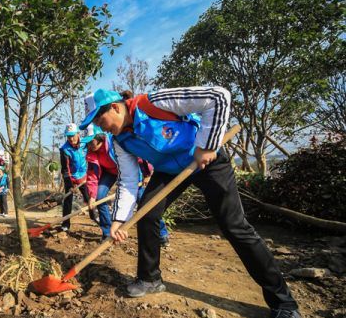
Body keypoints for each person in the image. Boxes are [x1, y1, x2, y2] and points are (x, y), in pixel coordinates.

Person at [79, 87, 300, 318]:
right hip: (168, 171)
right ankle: (149, 279)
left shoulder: (153, 103)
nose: (99, 127)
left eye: (99, 118)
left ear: (114, 107)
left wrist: (206, 145)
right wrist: (118, 220)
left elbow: (218, 97)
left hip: (206, 159)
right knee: (147, 214)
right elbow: (128, 180)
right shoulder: (119, 140)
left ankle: (283, 302)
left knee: (234, 226)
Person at [59, 123, 98, 232]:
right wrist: (70, 185)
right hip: (71, 178)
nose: (71, 139)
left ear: (78, 134)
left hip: (84, 177)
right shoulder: (65, 150)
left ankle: (94, 217)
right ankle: (65, 224)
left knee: (89, 197)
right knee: (68, 200)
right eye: (68, 136)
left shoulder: (85, 144)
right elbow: (65, 170)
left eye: (73, 135)